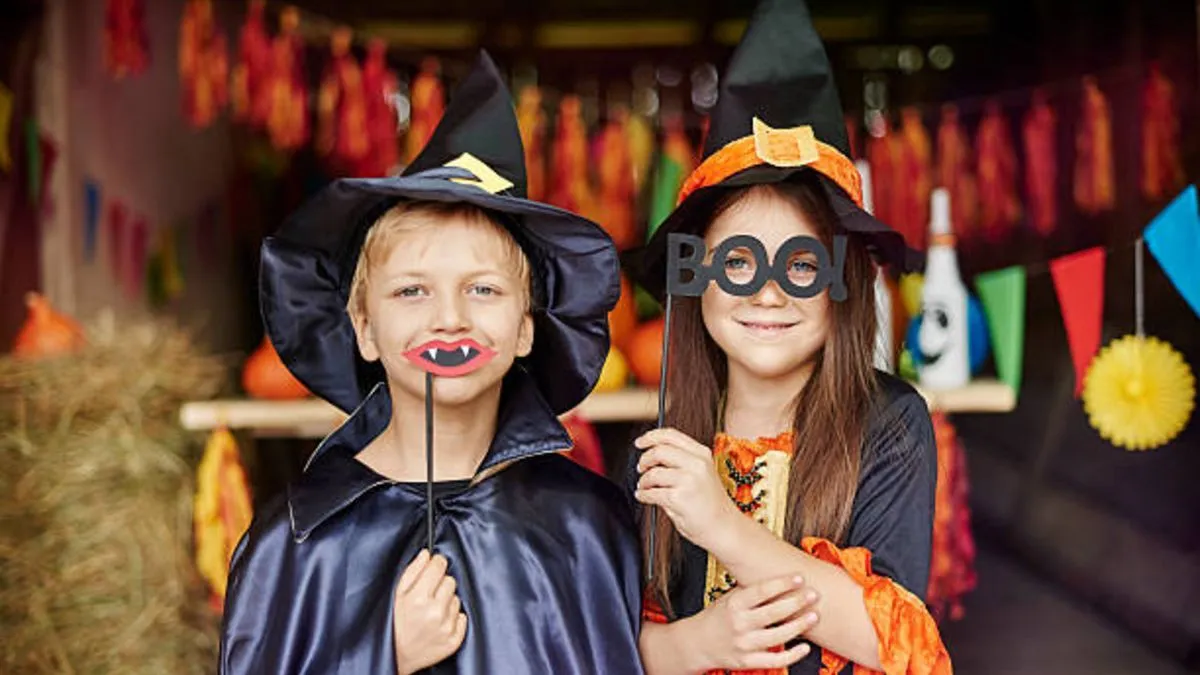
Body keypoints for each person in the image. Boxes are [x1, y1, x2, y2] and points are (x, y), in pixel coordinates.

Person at [219, 50, 644, 675]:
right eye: (412, 291)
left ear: (526, 327)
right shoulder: (297, 538)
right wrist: (380, 657)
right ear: (364, 328)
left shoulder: (587, 524)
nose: (449, 318)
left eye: (483, 289)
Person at [622, 1, 953, 673]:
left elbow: (893, 643)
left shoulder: (889, 425)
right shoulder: (669, 437)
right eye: (737, 262)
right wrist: (697, 643)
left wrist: (721, 524)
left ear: (842, 282)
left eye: (801, 266)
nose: (767, 293)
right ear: (695, 275)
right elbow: (619, 642)